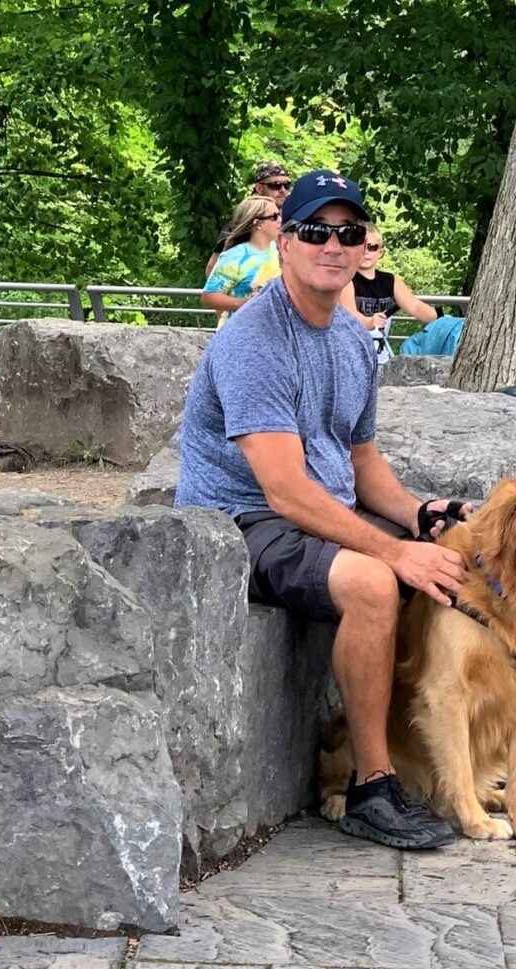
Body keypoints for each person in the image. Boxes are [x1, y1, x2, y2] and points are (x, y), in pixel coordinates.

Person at [176, 169, 470, 851]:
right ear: (284, 241)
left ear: (364, 243)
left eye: (348, 232)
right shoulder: (253, 340)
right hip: (240, 521)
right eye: (314, 230)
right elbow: (282, 491)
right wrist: (391, 550)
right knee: (373, 583)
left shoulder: (347, 337)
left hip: (316, 510)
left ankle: (456, 761)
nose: (331, 245)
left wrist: (420, 514)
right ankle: (371, 786)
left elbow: (362, 464)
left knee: (458, 552)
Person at [339, 223, 439, 364]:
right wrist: (370, 322)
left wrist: (440, 319)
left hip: (380, 355)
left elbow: (415, 306)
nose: (366, 252)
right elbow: (348, 314)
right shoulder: (345, 279)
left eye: (372, 247)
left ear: (380, 252)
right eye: (360, 246)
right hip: (348, 355)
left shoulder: (390, 281)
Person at [201, 195, 282, 328]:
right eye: (274, 217)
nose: (280, 220)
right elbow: (209, 296)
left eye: (279, 214)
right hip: (239, 332)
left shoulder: (278, 249)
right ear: (257, 223)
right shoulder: (235, 256)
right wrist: (245, 303)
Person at [205, 161, 292, 278]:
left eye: (286, 185)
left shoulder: (291, 218)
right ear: (259, 188)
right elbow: (212, 270)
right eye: (275, 185)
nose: (283, 190)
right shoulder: (243, 219)